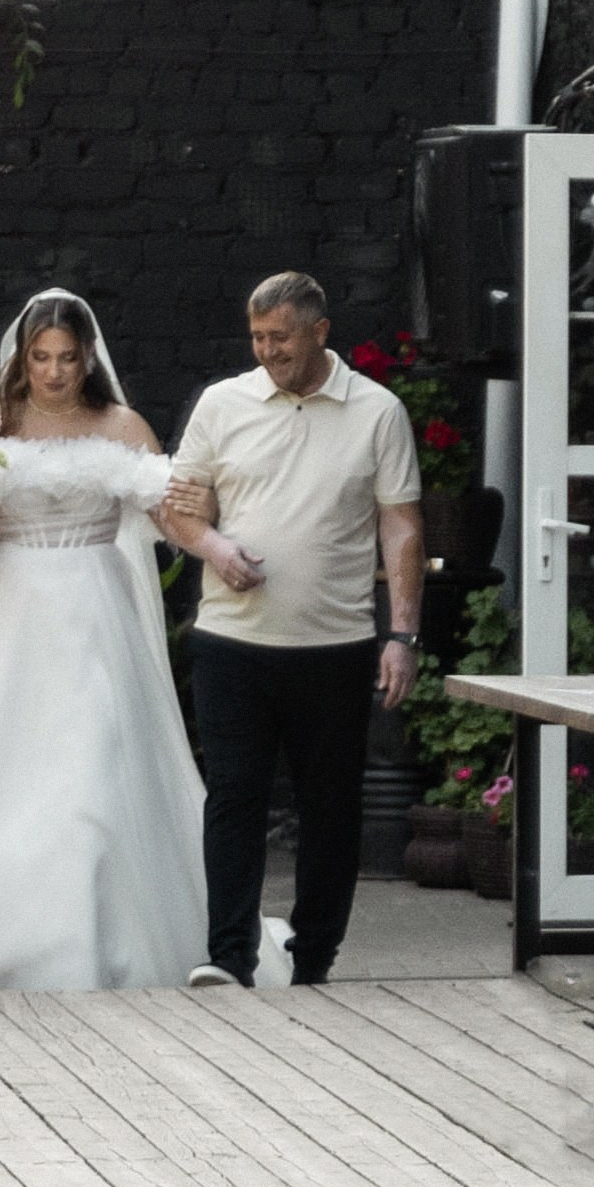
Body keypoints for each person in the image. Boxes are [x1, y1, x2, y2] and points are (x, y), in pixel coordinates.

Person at [0, 291, 260, 995]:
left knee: (93, 767)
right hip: (7, 614)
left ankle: (94, 947)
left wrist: (216, 548)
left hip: (95, 608)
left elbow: (168, 512)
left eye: (67, 357)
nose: (54, 371)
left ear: (88, 357)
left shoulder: (122, 426)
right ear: (22, 358)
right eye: (41, 357)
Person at [164, 270, 425, 992]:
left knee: (330, 809)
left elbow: (401, 526)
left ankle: (314, 958)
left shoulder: (378, 411)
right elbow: (178, 508)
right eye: (257, 337)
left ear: (320, 331)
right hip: (230, 641)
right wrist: (215, 548)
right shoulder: (222, 403)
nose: (268, 350)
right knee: (234, 799)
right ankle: (228, 956)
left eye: (280, 336)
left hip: (334, 647)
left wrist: (402, 635)